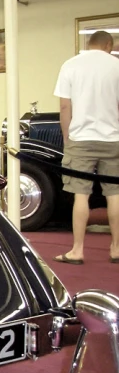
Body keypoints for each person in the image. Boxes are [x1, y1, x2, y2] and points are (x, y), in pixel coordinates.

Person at [52, 30, 119, 265]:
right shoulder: (116, 65)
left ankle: (77, 250)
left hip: (81, 138)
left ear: (89, 44)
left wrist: (67, 137)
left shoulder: (70, 65)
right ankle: (117, 249)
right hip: (113, 139)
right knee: (115, 193)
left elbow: (64, 107)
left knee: (81, 195)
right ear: (108, 44)